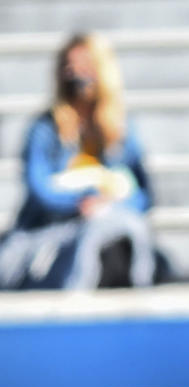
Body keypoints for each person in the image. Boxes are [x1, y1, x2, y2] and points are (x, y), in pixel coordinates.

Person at [0, 34, 157, 290]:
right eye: (68, 66)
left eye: (84, 66)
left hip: (111, 228)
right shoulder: (45, 129)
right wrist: (80, 202)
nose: (75, 74)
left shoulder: (121, 129)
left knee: (114, 238)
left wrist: (107, 204)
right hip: (54, 229)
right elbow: (39, 189)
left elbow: (143, 194)